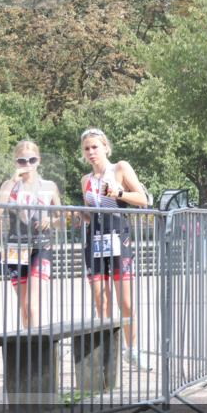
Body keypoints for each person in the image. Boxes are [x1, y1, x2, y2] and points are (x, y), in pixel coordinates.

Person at [80, 128, 151, 370]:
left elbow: (143, 199)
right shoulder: (85, 180)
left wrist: (118, 192)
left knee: (126, 302)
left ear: (105, 148)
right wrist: (82, 215)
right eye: (87, 148)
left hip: (119, 239)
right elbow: (90, 214)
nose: (91, 152)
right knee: (101, 301)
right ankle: (108, 351)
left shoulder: (119, 168)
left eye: (95, 147)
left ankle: (132, 349)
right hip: (95, 241)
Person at [0, 140, 62, 327]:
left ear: (39, 160)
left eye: (31, 160)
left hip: (41, 246)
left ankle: (38, 349)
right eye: (22, 161)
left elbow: (61, 218)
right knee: (24, 307)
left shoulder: (49, 186)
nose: (27, 165)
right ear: (15, 163)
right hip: (16, 247)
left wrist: (51, 221)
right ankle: (29, 348)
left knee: (33, 305)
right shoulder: (8, 186)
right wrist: (12, 182)